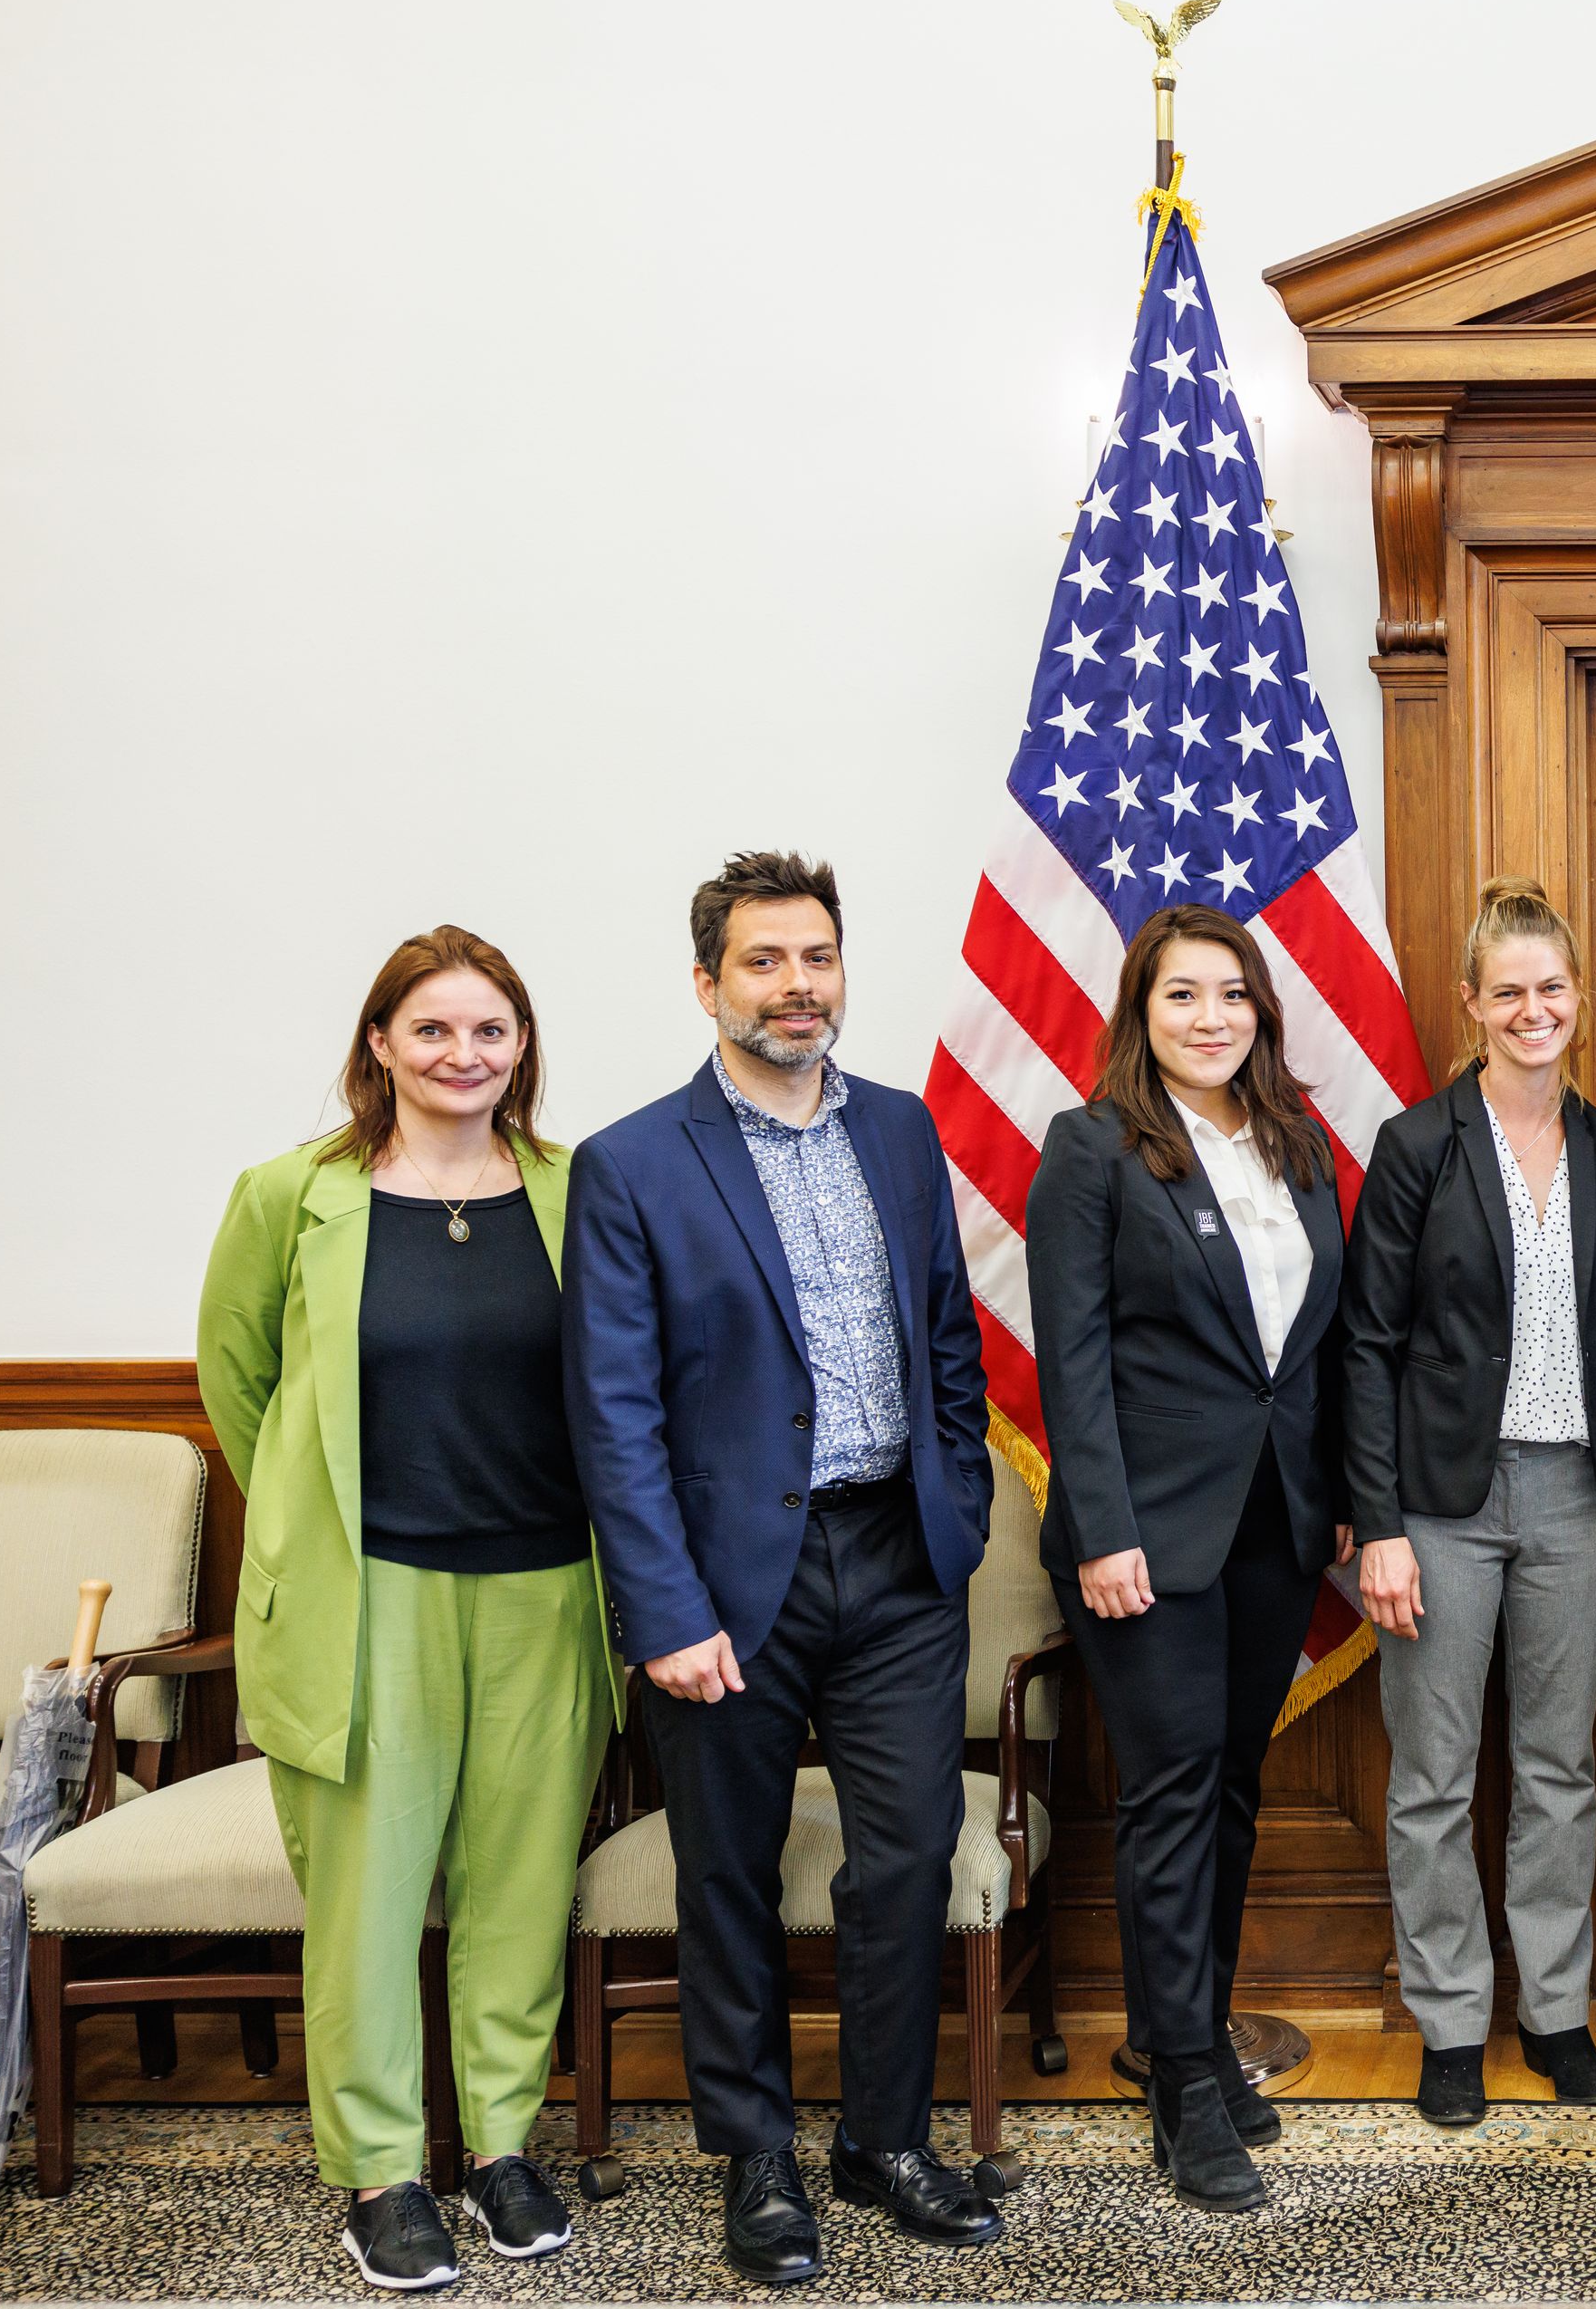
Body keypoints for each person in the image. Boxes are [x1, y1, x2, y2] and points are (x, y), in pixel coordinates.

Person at [562, 852, 1001, 2285]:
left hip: (896, 1557)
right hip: (724, 1583)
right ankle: (755, 2156)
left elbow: (949, 1338)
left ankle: (882, 2140)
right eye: (764, 960)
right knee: (729, 1875)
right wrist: (664, 1608)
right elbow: (612, 1414)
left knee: (909, 1857)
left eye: (817, 956)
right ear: (708, 982)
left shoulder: (900, 1128)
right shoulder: (633, 1164)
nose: (797, 984)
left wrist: (961, 1508)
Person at [197, 928, 614, 2289]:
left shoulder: (576, 1189)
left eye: (491, 1030)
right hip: (369, 1595)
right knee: (369, 1903)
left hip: (548, 1588)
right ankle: (380, 2168)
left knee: (515, 1886)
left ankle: (497, 2142)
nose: (463, 1054)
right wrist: (324, 1534)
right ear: (380, 1042)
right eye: (432, 1029)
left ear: (523, 1048)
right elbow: (242, 1386)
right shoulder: (291, 1194)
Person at [1024, 904, 1351, 2213]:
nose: (1209, 1017)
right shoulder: (1091, 1148)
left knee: (1229, 1790)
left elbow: (1315, 1347)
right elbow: (1074, 1359)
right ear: (1140, 1012)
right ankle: (1172, 2082)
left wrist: (1334, 1493)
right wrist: (1102, 1531)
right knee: (1170, 1794)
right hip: (1145, 1536)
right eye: (1181, 997)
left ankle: (1201, 2039)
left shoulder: (1300, 1145)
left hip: (1275, 1523)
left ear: (1262, 1012)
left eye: (1232, 995)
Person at [1339, 879, 1596, 2125]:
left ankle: (1558, 2015)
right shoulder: (1419, 1146)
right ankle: (1451, 2021)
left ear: (1579, 1002)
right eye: (1508, 990)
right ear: (1472, 1005)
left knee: (1557, 1766)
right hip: (1440, 1506)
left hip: (1580, 1495)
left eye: (1552, 988)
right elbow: (1366, 1345)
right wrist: (1379, 1527)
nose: (1534, 1009)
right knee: (1430, 1775)